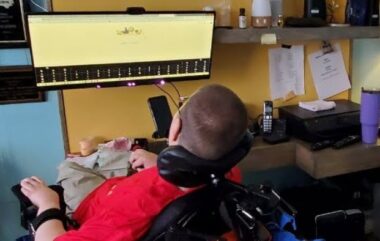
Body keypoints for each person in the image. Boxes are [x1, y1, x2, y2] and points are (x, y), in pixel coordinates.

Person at [19, 84, 249, 241]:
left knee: (69, 166)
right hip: (127, 190)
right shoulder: (227, 174)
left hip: (92, 213)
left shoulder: (136, 205)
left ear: (175, 127)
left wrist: (47, 205)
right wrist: (160, 163)